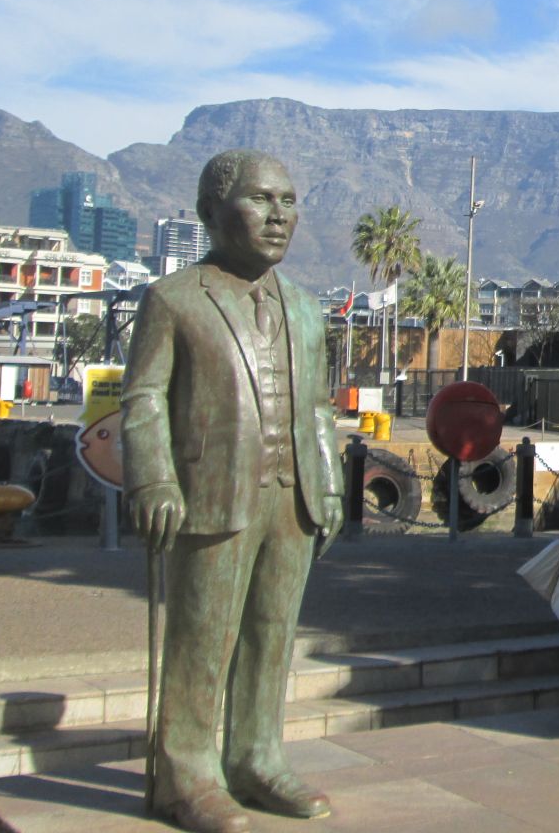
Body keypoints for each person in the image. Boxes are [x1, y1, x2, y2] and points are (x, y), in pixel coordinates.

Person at [122, 150, 343, 833]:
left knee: (272, 638)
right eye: (260, 199)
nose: (280, 215)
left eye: (289, 199)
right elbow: (143, 399)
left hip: (292, 497)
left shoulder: (306, 309)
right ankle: (185, 773)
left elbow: (316, 409)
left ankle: (256, 756)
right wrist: (155, 477)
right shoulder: (174, 298)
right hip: (211, 495)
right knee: (202, 641)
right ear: (212, 212)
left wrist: (329, 486)